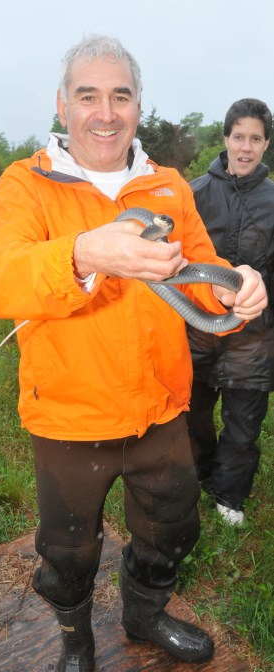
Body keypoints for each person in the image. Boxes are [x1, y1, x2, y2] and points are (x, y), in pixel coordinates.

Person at [0, 37, 267, 671]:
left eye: (120, 95)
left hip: (162, 410)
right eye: (88, 96)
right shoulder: (26, 184)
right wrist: (82, 253)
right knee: (68, 551)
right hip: (69, 418)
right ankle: (77, 641)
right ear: (62, 105)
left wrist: (234, 287)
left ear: (137, 106)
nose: (105, 112)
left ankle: (144, 613)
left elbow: (199, 265)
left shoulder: (164, 186)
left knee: (171, 528)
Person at [187, 98, 274, 526]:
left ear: (266, 144)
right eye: (238, 136)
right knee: (192, 414)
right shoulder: (193, 193)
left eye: (255, 138)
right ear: (225, 139)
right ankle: (199, 473)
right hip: (197, 332)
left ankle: (229, 494)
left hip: (254, 339)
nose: (245, 146)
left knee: (243, 424)